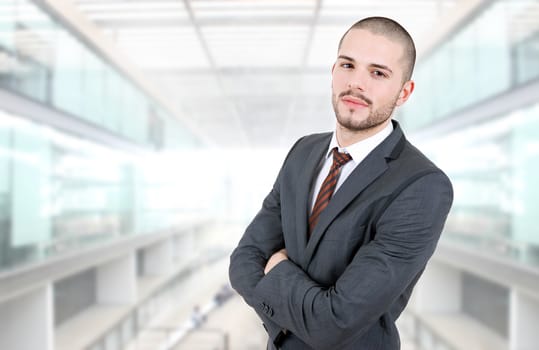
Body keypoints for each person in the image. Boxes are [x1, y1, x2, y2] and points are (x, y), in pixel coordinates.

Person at [229, 16, 453, 350]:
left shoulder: (422, 185)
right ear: (333, 71)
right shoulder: (302, 152)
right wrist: (301, 314)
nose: (357, 83)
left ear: (404, 92)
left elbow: (335, 323)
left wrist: (276, 270)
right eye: (348, 65)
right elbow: (243, 262)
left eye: (378, 73)